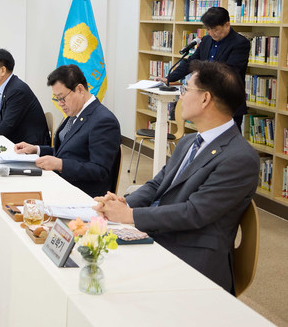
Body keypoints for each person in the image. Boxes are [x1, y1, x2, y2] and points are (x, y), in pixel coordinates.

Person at [95, 61, 259, 294]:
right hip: (162, 233)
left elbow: (194, 213)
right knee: (91, 256)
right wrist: (124, 203)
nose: (180, 96)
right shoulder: (190, 141)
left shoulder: (240, 158)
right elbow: (157, 184)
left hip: (192, 254)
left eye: (185, 89)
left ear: (205, 99)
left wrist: (129, 215)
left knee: (106, 279)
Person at [14, 64, 120, 197]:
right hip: (61, 181)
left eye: (62, 98)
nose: (60, 104)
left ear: (80, 89)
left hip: (81, 193)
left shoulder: (104, 121)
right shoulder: (75, 113)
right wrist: (36, 149)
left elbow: (99, 170)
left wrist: (61, 165)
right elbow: (67, 151)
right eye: (57, 99)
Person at [158, 7, 249, 129]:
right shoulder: (206, 40)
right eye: (208, 29)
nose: (211, 33)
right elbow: (191, 62)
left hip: (227, 102)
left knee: (227, 138)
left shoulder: (240, 43)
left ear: (227, 25)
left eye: (215, 29)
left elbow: (230, 71)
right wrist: (169, 78)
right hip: (205, 102)